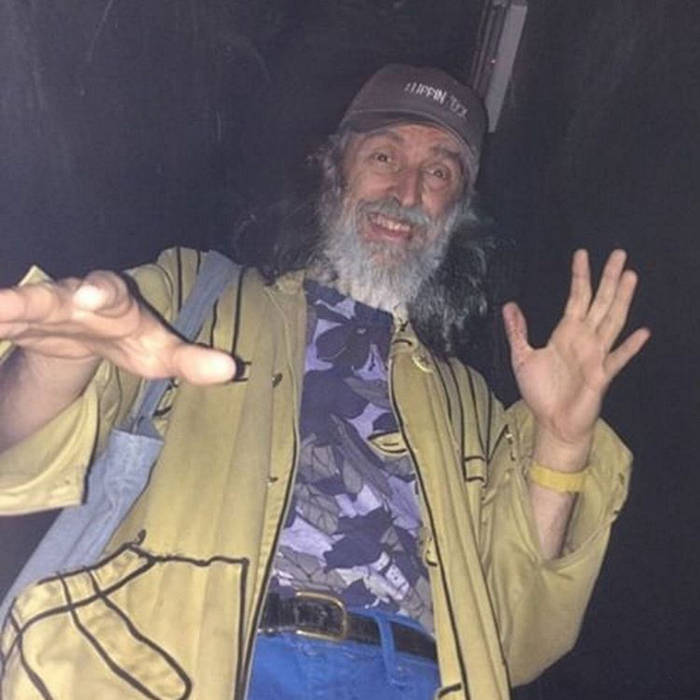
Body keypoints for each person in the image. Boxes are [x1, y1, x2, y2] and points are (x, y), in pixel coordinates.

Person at [0, 64, 648, 699]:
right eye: (384, 156)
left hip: (418, 679)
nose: (407, 191)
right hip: (197, 661)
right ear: (333, 168)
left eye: (440, 172)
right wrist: (57, 360)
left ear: (458, 212)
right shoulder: (197, 298)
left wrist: (562, 444)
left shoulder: (468, 403)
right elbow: (18, 443)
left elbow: (514, 636)